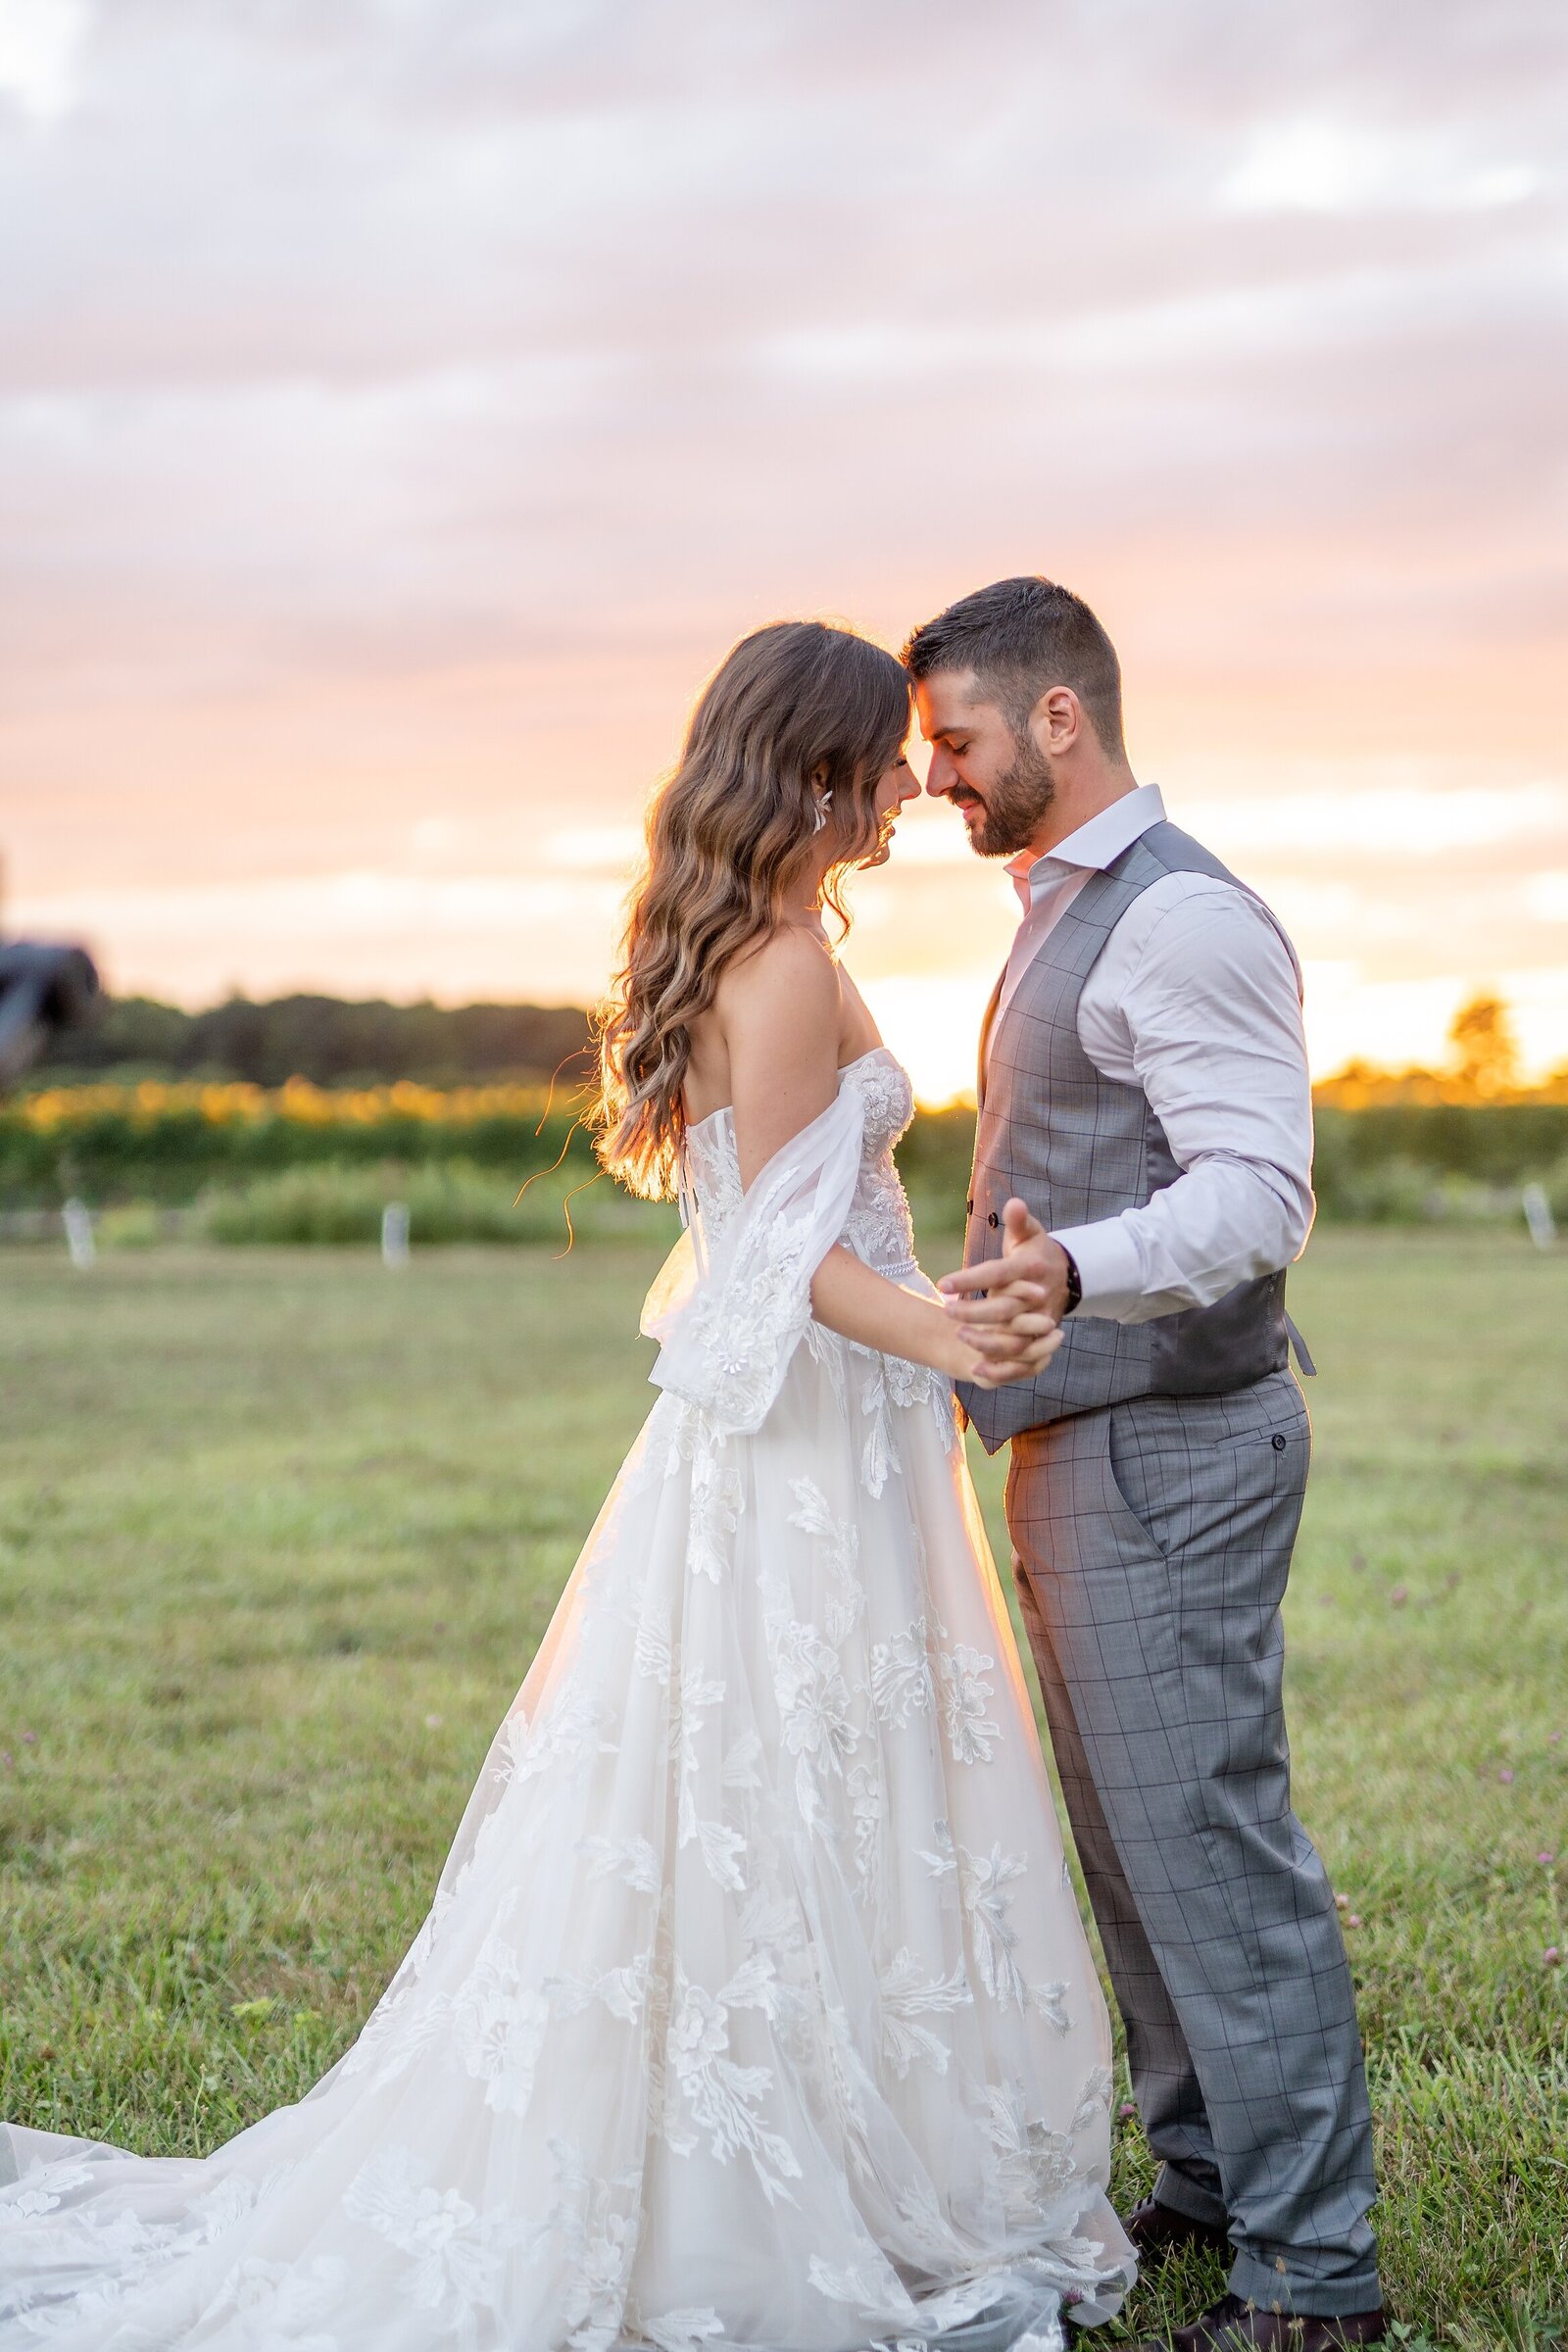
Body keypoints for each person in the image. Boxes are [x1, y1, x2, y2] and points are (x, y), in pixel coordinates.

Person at [0, 619, 1134, 2351]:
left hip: (807, 1430)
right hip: (809, 1433)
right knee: (785, 1787)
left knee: (787, 1781)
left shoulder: (761, 941)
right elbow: (773, 1246)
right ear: (819, 769)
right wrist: (947, 1339)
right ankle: (769, 2172)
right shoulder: (777, 964)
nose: (918, 782)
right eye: (891, 758)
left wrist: (928, 1321)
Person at [906, 578, 1384, 2352]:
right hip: (1092, 1443)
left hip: (1172, 1445)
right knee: (1129, 1850)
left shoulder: (1183, 921)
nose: (934, 777)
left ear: (1056, 717)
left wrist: (1075, 1268)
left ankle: (1315, 2281)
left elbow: (1263, 1190)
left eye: (953, 740)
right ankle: (1203, 2185)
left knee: (1208, 1850)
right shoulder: (1068, 907)